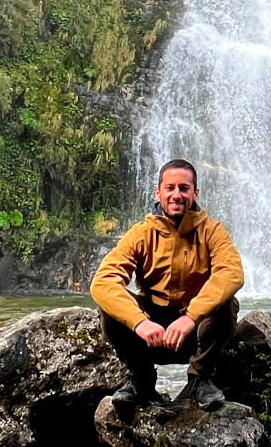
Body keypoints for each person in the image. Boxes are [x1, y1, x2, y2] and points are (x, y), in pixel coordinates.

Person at [90, 158, 244, 414]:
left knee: (225, 302)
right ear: (158, 192)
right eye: (170, 188)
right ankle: (141, 379)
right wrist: (139, 321)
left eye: (184, 188)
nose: (176, 195)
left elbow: (232, 273)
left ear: (195, 193)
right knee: (109, 307)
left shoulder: (212, 231)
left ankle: (200, 378)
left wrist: (191, 317)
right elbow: (103, 281)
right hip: (151, 334)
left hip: (193, 334)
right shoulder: (140, 234)